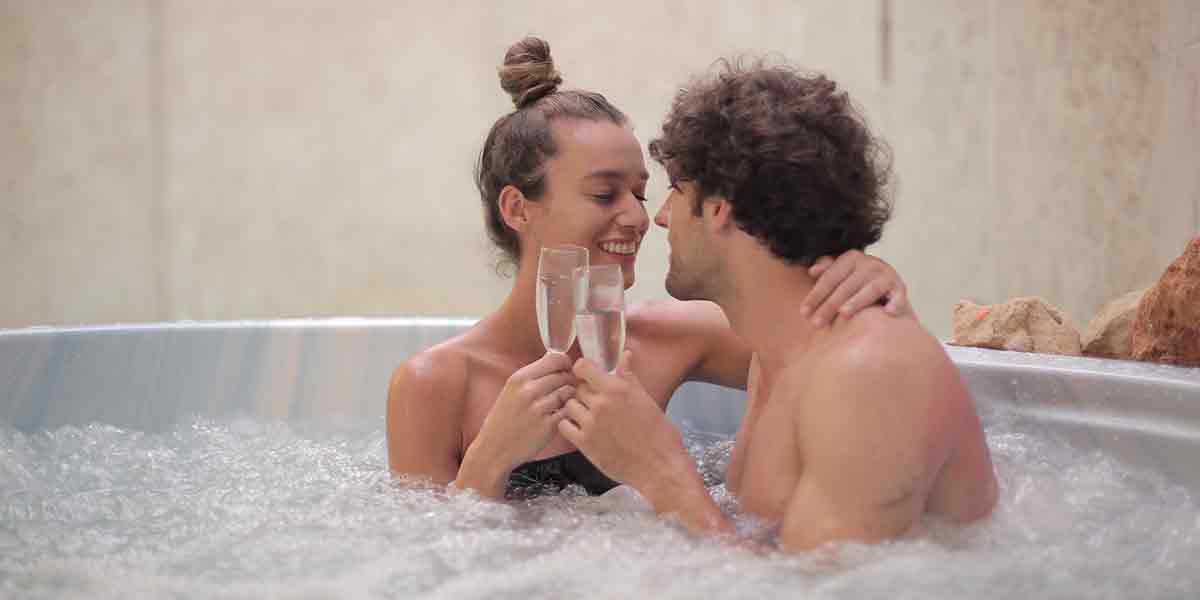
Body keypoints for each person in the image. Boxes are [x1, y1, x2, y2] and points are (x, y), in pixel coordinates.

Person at [387, 38, 910, 500]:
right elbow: (425, 570)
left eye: (641, 192)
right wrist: (488, 461)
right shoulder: (435, 384)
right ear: (518, 209)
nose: (638, 217)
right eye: (604, 193)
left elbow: (837, 356)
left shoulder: (670, 339)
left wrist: (868, 278)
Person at [558, 59, 998, 551]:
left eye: (677, 193)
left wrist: (662, 475)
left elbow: (823, 590)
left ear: (719, 209)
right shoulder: (777, 351)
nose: (660, 219)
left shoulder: (867, 372)